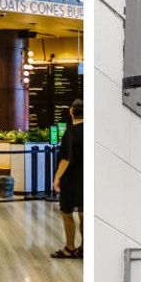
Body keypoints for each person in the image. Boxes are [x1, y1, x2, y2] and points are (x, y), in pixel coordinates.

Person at [52, 98, 84, 259]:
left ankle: (70, 247)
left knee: (67, 213)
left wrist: (57, 177)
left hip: (70, 179)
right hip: (85, 179)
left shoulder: (70, 132)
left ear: (71, 111)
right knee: (83, 213)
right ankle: (84, 247)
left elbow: (66, 158)